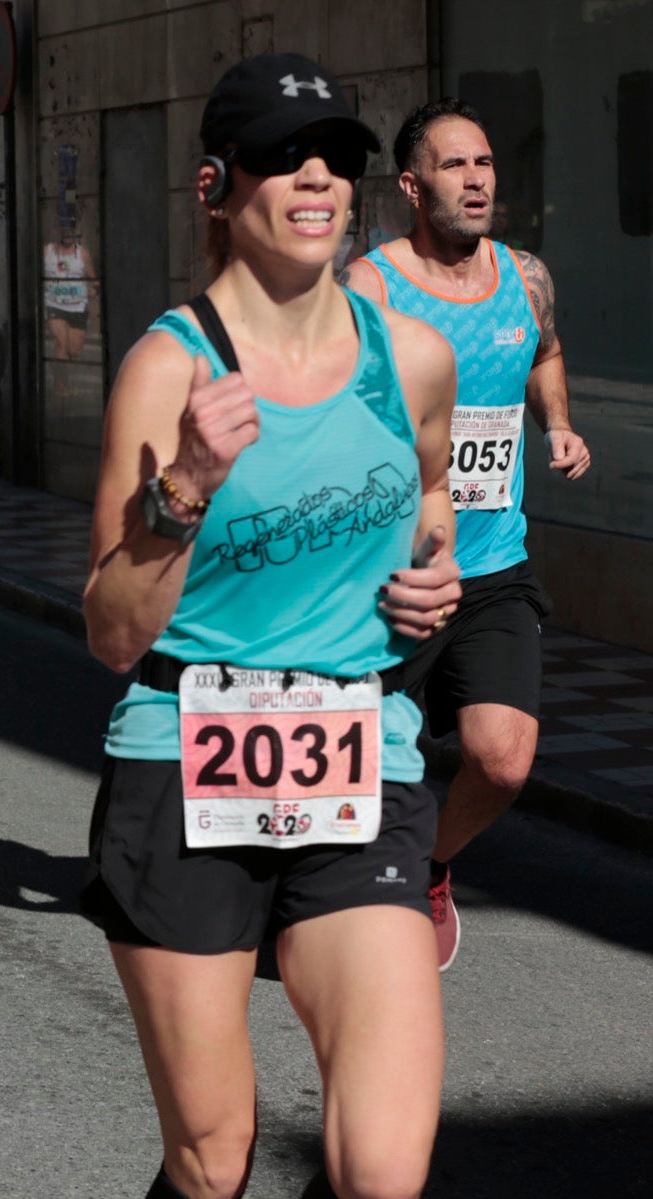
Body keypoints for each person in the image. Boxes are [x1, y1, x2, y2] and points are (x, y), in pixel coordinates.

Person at [79, 55, 463, 1199]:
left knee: (382, 1168)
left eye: (339, 156)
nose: (316, 176)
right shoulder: (166, 368)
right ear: (215, 186)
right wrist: (187, 482)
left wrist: (434, 584)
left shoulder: (415, 359)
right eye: (281, 154)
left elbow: (436, 512)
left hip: (360, 756)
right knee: (212, 1159)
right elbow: (107, 628)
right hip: (184, 757)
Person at [344, 98, 592, 972]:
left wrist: (556, 422)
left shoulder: (525, 276)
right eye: (455, 165)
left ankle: (430, 867)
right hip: (393, 574)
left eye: (484, 161)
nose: (478, 177)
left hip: (493, 566)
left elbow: (546, 349)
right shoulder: (372, 286)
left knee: (504, 758)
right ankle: (321, 901)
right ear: (412, 185)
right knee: (352, 765)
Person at [43, 220, 96, 389]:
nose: (66, 234)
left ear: (74, 233)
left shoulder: (82, 254)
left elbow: (93, 278)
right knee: (61, 344)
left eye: (70, 230)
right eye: (63, 230)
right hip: (54, 305)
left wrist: (95, 289)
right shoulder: (47, 251)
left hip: (77, 306)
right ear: (57, 231)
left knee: (74, 351)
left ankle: (59, 368)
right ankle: (60, 383)